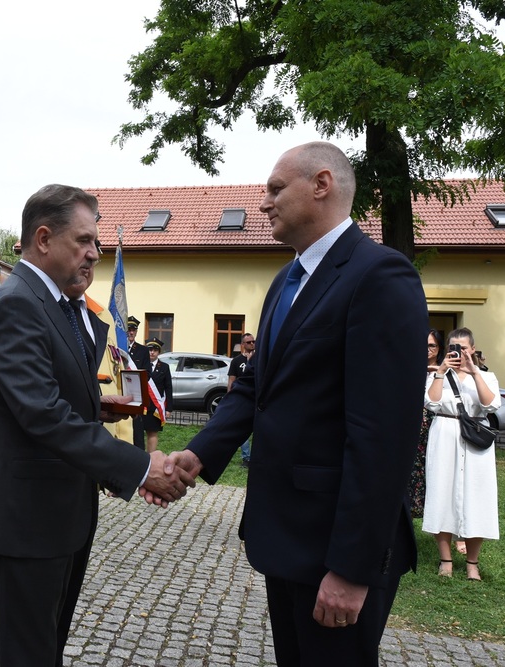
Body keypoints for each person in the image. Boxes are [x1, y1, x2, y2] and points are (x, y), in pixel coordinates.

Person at [161, 142, 428, 666]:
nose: (264, 203)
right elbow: (259, 387)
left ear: (321, 185)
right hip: (286, 536)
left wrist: (351, 569)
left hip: (335, 547)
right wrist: (197, 455)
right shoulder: (287, 280)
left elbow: (384, 437)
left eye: (276, 189)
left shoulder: (380, 276)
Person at [0, 184, 193, 667]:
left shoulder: (58, 304)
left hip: (57, 514)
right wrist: (137, 467)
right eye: (85, 240)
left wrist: (100, 408)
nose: (95, 253)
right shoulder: (16, 304)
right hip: (25, 519)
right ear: (44, 239)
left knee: (26, 648)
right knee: (25, 652)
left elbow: (52, 397)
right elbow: (43, 414)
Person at [423, 327, 500, 581]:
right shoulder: (439, 374)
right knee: (441, 493)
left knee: (477, 497)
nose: (458, 352)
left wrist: (474, 371)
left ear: (472, 349)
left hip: (475, 439)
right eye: (453, 347)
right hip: (444, 433)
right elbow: (431, 403)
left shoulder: (486, 377)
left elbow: (489, 404)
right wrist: (442, 372)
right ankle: (445, 559)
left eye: (463, 348)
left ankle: (472, 563)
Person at [408, 329, 443, 518]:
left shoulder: (446, 370)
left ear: (439, 348)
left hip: (435, 423)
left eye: (432, 345)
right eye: (425, 345)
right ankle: (414, 508)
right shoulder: (410, 368)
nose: (428, 349)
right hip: (412, 424)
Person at [227, 332, 256, 466]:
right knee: (242, 427)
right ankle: (246, 458)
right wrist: (229, 397)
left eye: (253, 341)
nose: (252, 344)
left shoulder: (260, 358)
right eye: (249, 342)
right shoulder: (236, 361)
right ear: (243, 344)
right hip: (242, 398)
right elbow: (231, 380)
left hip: (257, 397)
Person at [143, 337, 173, 453]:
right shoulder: (141, 364)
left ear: (159, 352)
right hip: (141, 404)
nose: (152, 352)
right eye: (150, 349)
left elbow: (168, 387)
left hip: (155, 406)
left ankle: (150, 458)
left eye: (155, 350)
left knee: (152, 433)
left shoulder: (164, 367)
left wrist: (169, 408)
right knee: (136, 433)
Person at [126, 315, 150, 450]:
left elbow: (148, 373)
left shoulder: (143, 350)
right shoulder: (117, 347)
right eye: (128, 329)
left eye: (133, 330)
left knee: (137, 430)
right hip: (120, 393)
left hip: (136, 395)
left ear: (136, 332)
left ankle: (139, 455)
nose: (131, 332)